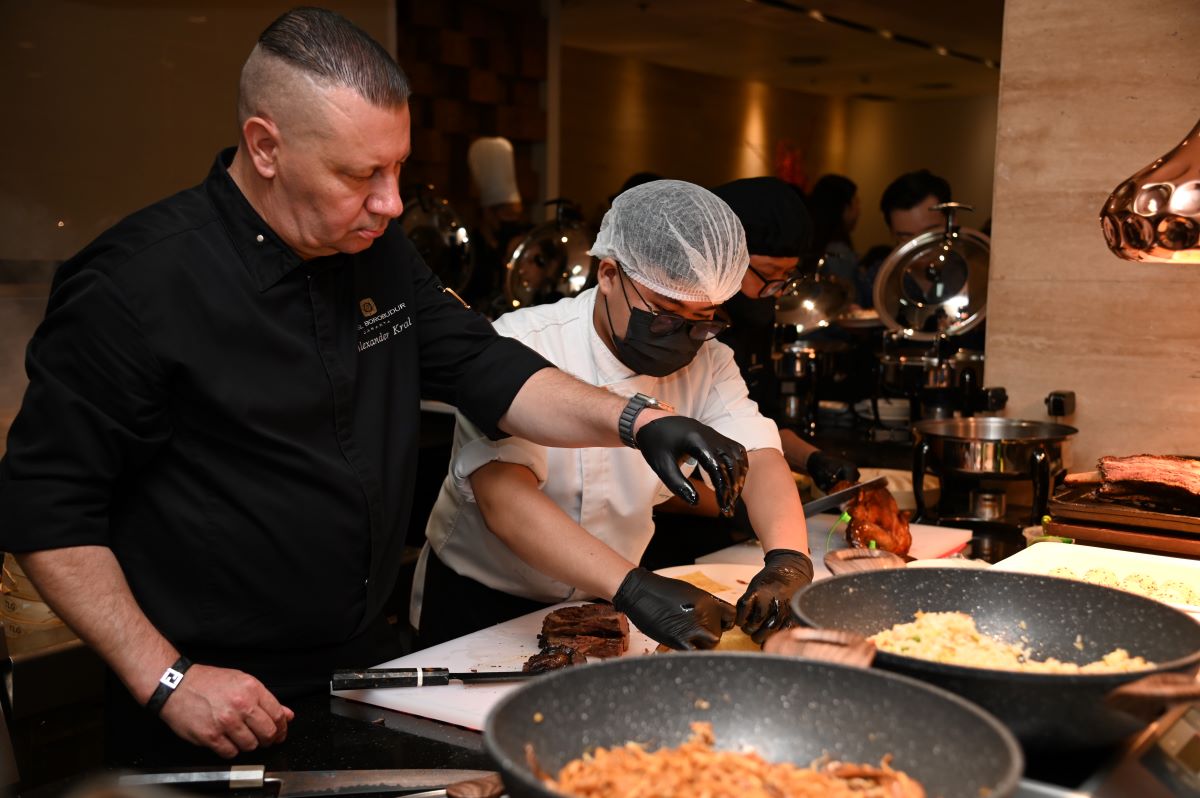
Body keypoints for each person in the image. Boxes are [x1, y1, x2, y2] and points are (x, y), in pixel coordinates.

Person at [0, 8, 749, 764]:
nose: (392, 203)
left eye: (397, 169)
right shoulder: (134, 283)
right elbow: (45, 507)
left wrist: (637, 420)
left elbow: (485, 366)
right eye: (361, 174)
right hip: (205, 682)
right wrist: (165, 677)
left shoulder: (377, 252)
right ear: (266, 147)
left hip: (359, 657)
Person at [412, 179, 812, 650]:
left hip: (610, 605)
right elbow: (505, 501)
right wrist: (633, 587)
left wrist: (788, 561)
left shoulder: (711, 360)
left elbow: (760, 456)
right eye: (665, 313)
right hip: (485, 605)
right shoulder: (521, 343)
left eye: (705, 318)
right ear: (607, 275)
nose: (684, 336)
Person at [711, 177, 860, 492]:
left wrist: (812, 460)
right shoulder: (683, 330)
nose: (776, 292)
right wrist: (733, 511)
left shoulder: (756, 316)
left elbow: (760, 421)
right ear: (722, 258)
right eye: (768, 273)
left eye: (786, 276)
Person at [856, 169, 952, 308]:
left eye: (929, 233)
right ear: (892, 234)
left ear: (951, 221)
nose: (920, 246)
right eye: (906, 237)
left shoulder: (977, 272)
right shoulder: (879, 280)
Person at [462, 136, 530, 309]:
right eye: (507, 213)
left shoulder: (522, 244)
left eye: (517, 214)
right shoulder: (471, 251)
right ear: (488, 213)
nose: (513, 221)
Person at [807, 174, 860, 290]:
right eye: (857, 202)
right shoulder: (838, 253)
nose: (859, 210)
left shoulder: (811, 243)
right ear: (845, 208)